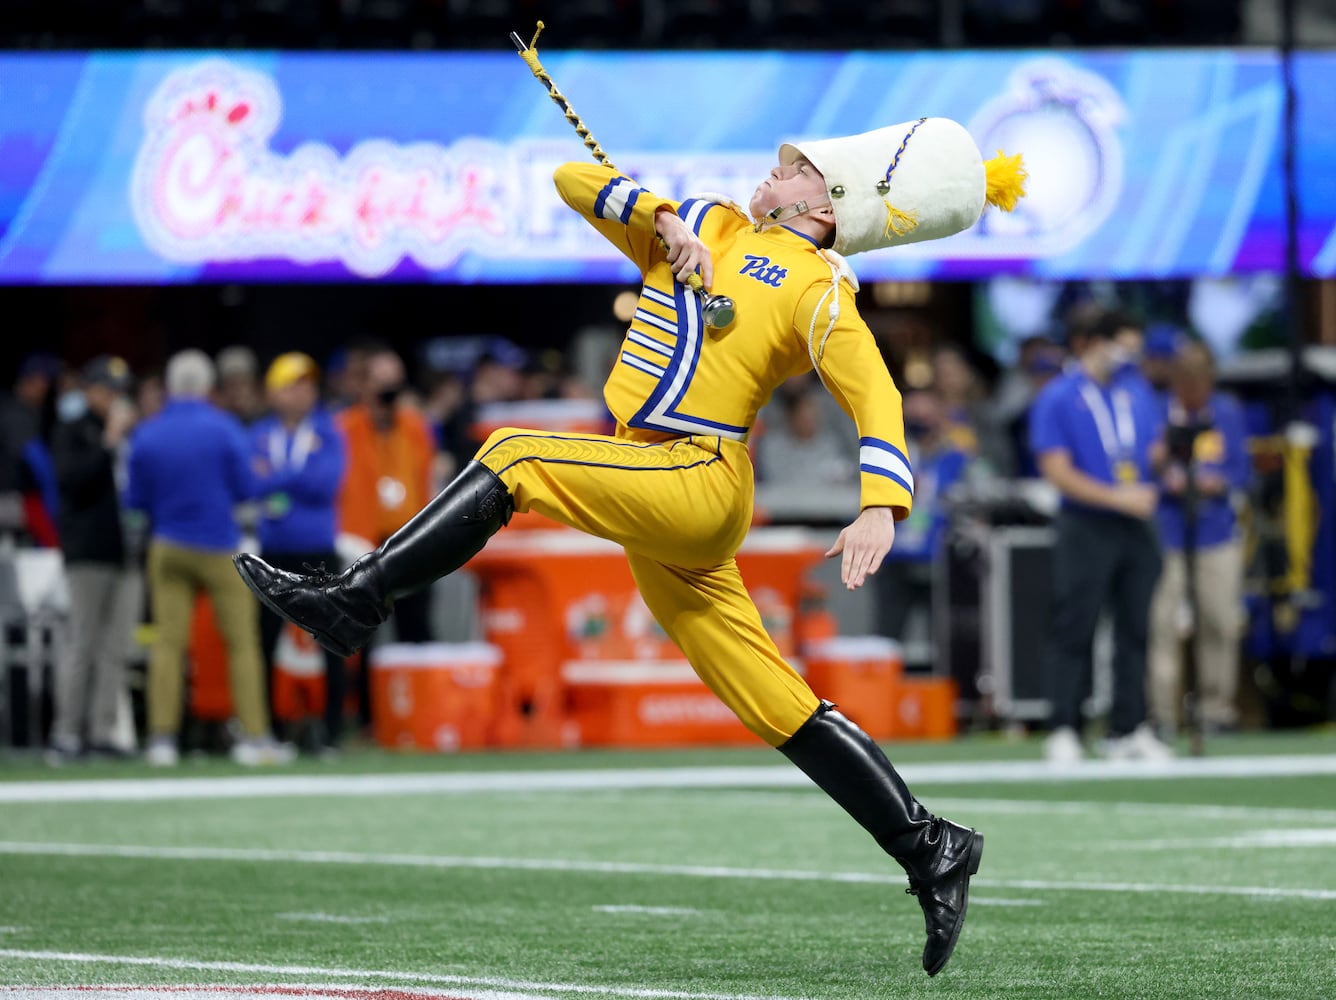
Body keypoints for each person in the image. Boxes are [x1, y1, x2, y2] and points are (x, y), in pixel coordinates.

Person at [238, 117, 1027, 976]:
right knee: (771, 699)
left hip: (697, 476)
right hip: (654, 479)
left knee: (514, 453)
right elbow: (572, 182)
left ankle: (357, 598)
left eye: (792, 167)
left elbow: (877, 396)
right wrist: (661, 218)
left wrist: (883, 504)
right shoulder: (707, 222)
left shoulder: (817, 287)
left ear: (825, 204)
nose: (773, 169)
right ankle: (930, 847)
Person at [126, 349, 292, 767]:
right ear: (206, 387)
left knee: (167, 645)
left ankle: (162, 740)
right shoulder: (223, 429)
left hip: (167, 546)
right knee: (241, 644)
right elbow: (246, 488)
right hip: (219, 546)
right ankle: (254, 737)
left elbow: (134, 500)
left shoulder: (148, 433)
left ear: (170, 387)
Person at [1030, 309, 1174, 764]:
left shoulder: (1136, 390)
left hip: (1136, 524)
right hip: (1086, 523)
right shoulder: (1058, 396)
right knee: (1077, 625)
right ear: (1090, 343)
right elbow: (1056, 469)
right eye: (1121, 344)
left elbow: (1152, 450)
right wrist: (1116, 497)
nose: (1127, 355)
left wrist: (1176, 451)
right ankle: (1064, 726)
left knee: (1136, 627)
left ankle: (1128, 727)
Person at [1148, 340, 1249, 734]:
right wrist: (1160, 467)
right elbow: (1142, 465)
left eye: (1199, 379)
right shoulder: (1158, 412)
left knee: (1220, 622)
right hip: (1166, 532)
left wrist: (1214, 482)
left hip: (1215, 531)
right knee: (1162, 624)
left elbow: (1242, 471)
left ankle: (1216, 710)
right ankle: (1163, 713)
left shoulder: (1226, 412)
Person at [250, 352, 349, 754]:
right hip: (273, 551)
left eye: (308, 384)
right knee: (264, 642)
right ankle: (269, 732)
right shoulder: (257, 435)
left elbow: (325, 484)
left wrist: (276, 481)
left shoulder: (329, 431)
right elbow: (248, 485)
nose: (303, 392)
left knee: (332, 641)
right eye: (293, 385)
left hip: (318, 550)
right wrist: (295, 477)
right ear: (274, 393)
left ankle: (332, 732)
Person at [46, 356, 139, 763]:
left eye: (119, 391)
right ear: (90, 391)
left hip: (125, 552)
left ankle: (103, 732)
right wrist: (108, 442)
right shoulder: (73, 430)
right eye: (107, 390)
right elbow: (72, 483)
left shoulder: (129, 436)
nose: (114, 399)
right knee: (81, 643)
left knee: (115, 648)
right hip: (87, 553)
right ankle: (67, 733)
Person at [335, 346, 437, 645]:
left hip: (410, 542)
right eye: (382, 381)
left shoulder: (416, 427)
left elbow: (425, 480)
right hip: (362, 546)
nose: (390, 390)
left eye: (396, 381)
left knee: (416, 628)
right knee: (359, 636)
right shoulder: (343, 429)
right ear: (364, 385)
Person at [874, 385, 971, 643]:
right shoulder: (890, 454)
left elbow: (973, 499)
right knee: (887, 636)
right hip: (894, 559)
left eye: (925, 414)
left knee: (944, 640)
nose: (918, 421)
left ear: (940, 415)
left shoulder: (957, 457)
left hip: (938, 561)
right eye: (912, 414)